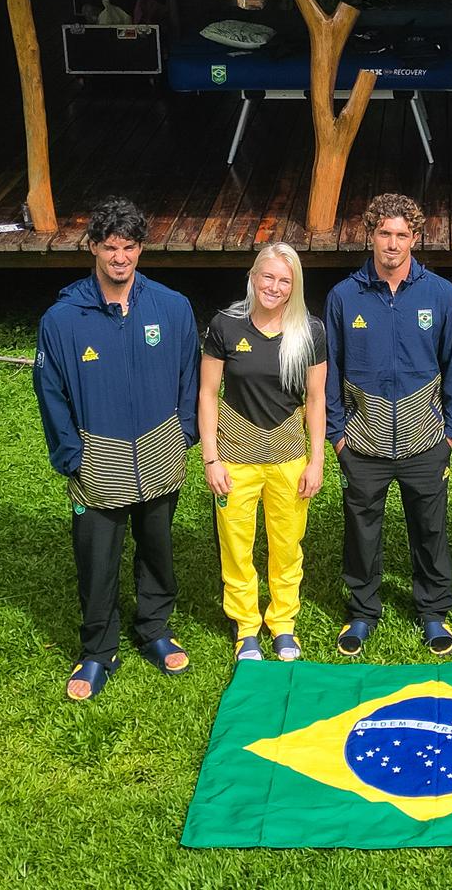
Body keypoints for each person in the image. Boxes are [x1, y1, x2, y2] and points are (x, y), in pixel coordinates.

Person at [34, 196, 199, 701]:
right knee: (97, 560)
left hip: (159, 448)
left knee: (157, 548)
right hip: (97, 458)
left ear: (141, 249)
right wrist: (72, 457)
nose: (120, 258)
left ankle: (154, 628)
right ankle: (97, 650)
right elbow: (50, 392)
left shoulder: (172, 307)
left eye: (129, 247)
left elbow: (190, 375)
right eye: (110, 248)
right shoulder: (62, 320)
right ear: (93, 249)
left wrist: (184, 431)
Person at [323, 193, 452, 656]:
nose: (392, 242)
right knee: (362, 529)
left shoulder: (440, 294)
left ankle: (433, 612)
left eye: (401, 234)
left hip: (426, 439)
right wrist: (338, 435)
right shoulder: (344, 296)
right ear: (370, 235)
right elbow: (330, 367)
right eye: (384, 233)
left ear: (415, 238)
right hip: (362, 442)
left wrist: (450, 431)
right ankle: (363, 612)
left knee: (430, 528)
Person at [199, 243, 327, 664]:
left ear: (295, 286)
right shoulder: (226, 325)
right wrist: (211, 458)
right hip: (234, 458)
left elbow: (315, 400)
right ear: (253, 277)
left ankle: (283, 624)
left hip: (288, 459)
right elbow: (207, 393)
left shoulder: (310, 332)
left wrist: (316, 460)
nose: (274, 287)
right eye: (267, 277)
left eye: (284, 280)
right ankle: (246, 626)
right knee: (236, 546)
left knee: (287, 545)